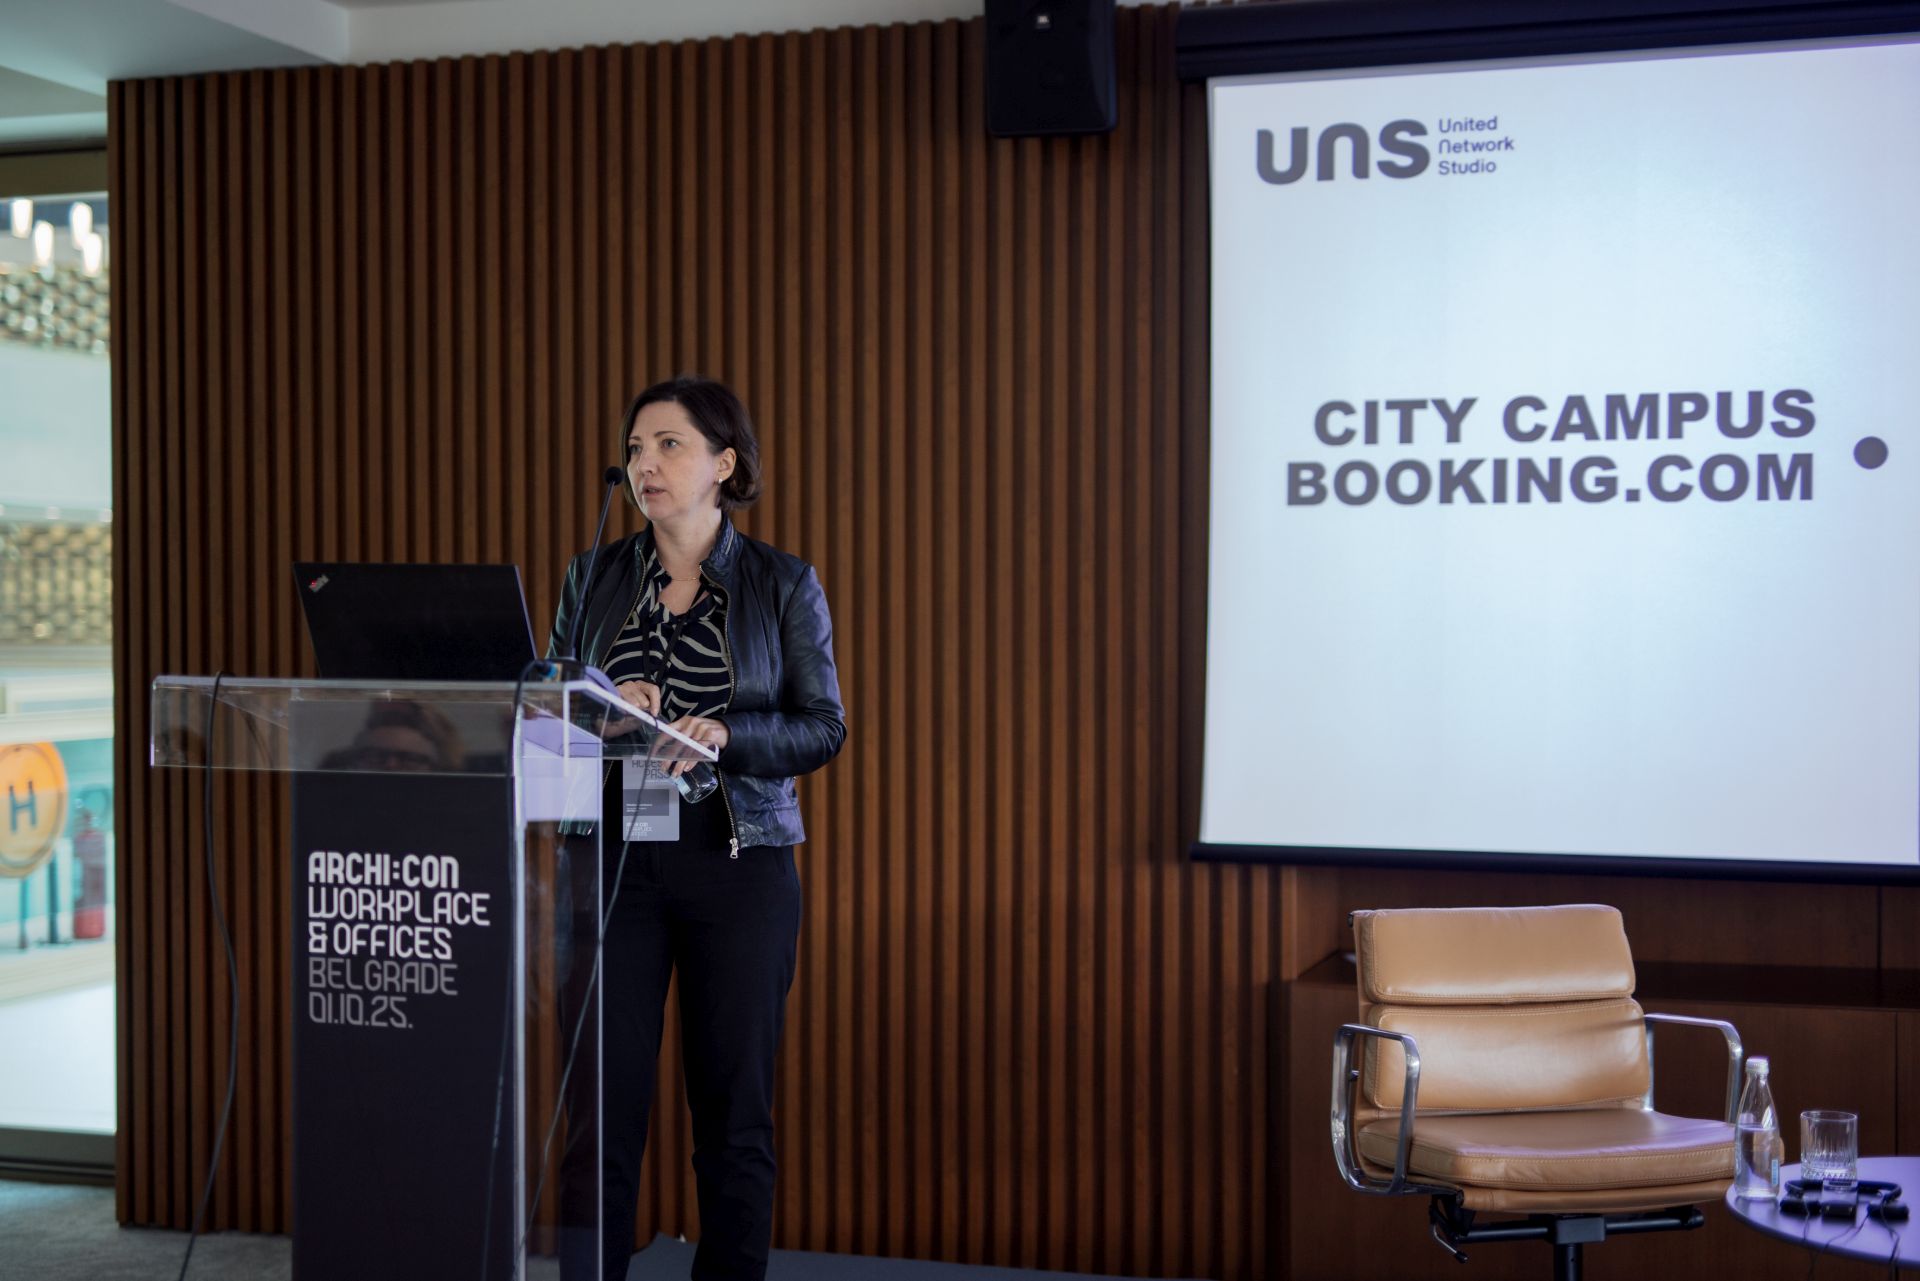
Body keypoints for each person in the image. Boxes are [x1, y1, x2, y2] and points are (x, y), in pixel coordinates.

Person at [550, 375, 846, 1281]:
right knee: (599, 1116)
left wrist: (723, 732)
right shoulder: (594, 577)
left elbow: (822, 726)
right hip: (612, 863)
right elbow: (547, 708)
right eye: (635, 449)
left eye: (668, 444)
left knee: (732, 1118)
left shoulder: (782, 582)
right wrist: (604, 709)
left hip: (735, 861)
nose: (645, 463)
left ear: (725, 463)